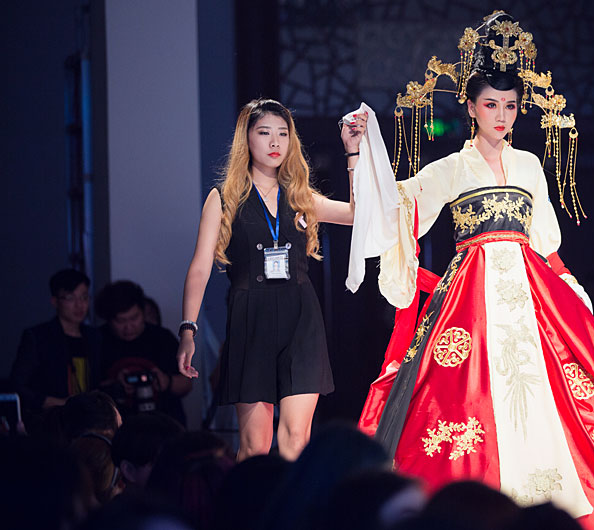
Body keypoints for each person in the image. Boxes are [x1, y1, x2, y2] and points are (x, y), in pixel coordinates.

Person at [349, 13, 594, 529]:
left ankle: (558, 493)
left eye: (509, 106)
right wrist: (358, 152)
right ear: (471, 107)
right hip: (471, 297)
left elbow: (546, 241)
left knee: (556, 388)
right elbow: (395, 207)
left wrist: (569, 284)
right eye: (490, 105)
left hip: (532, 290)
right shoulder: (451, 168)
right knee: (469, 391)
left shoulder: (528, 165)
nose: (501, 115)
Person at [176, 98, 359, 461]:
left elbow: (355, 214)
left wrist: (351, 153)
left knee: (296, 439)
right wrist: (188, 330)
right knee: (255, 445)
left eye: (283, 134)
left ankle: (292, 499)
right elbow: (199, 267)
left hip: (301, 317)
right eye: (264, 133)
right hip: (251, 316)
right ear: (247, 139)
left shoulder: (300, 196)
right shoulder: (224, 198)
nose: (275, 142)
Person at [96, 281, 190, 425]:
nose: (128, 327)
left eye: (134, 318)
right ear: (109, 319)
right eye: (120, 321)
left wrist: (166, 381)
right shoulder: (98, 340)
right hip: (116, 426)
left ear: (143, 312)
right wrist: (115, 386)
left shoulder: (162, 338)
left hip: (165, 424)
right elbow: (88, 390)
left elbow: (187, 384)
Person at [11, 268, 101, 414]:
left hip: (90, 416)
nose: (79, 305)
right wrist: (54, 402)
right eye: (70, 298)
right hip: (50, 417)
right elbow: (18, 384)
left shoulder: (94, 336)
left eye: (84, 297)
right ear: (55, 301)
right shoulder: (39, 337)